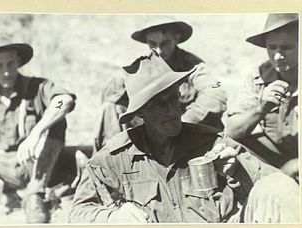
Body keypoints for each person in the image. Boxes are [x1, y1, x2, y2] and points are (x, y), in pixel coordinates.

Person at [69, 51, 299, 223]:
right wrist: (114, 218)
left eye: (172, 98)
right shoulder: (116, 156)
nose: (170, 110)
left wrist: (236, 172)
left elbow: (274, 183)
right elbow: (78, 213)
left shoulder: (210, 141)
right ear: (140, 113)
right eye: (158, 105)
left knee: (279, 187)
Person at [94, 17, 227, 151]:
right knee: (110, 107)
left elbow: (216, 91)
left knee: (212, 120)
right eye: (152, 43)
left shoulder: (194, 64)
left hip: (184, 128)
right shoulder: (143, 65)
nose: (159, 50)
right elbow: (110, 91)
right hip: (153, 127)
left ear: (176, 38)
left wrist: (182, 123)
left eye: (165, 43)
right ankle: (110, 159)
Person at [0, 33, 76, 223]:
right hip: (6, 167)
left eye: (10, 64)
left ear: (18, 62)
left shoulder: (36, 87)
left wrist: (36, 132)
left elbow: (64, 100)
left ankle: (34, 195)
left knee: (56, 119)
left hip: (40, 163)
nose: (6, 72)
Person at [225, 13, 299, 181]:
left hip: (297, 161)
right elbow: (231, 131)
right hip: (276, 156)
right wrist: (262, 108)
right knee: (228, 147)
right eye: (272, 47)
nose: (278, 56)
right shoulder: (259, 76)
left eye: (287, 48)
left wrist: (297, 164)